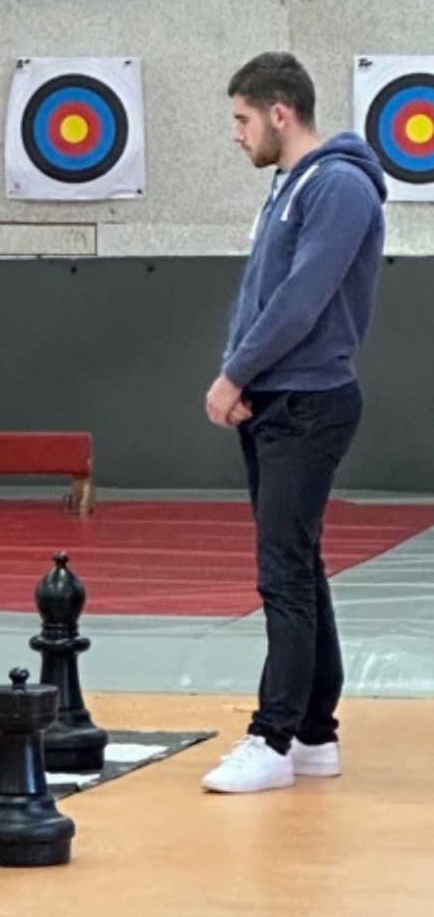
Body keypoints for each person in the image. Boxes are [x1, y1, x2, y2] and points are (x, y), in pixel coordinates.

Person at [201, 53, 386, 794]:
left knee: (282, 571)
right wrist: (242, 373)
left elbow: (301, 301)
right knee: (299, 565)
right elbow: (259, 293)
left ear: (281, 114)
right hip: (275, 399)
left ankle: (272, 737)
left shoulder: (338, 185)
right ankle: (313, 733)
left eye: (242, 119)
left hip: (309, 403)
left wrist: (233, 375)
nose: (236, 134)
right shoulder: (290, 186)